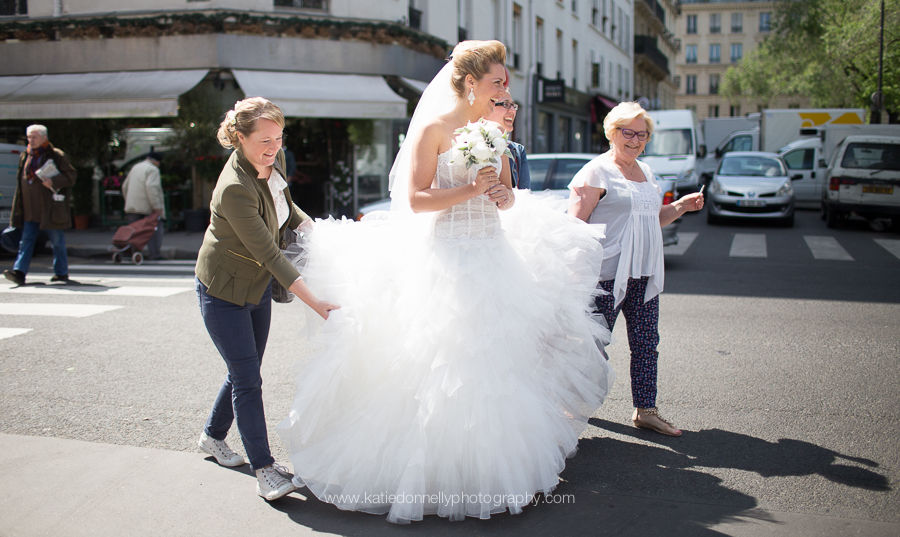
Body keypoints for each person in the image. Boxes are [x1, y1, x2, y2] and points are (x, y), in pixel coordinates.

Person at [276, 40, 614, 523]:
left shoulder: (493, 132)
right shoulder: (434, 129)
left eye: (506, 83)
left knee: (498, 363)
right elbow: (415, 199)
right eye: (498, 82)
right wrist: (469, 189)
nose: (504, 90)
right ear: (471, 83)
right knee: (446, 363)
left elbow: (509, 199)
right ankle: (434, 473)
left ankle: (492, 472)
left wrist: (499, 193)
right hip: (449, 259)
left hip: (495, 256)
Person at [194, 97, 338, 501]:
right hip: (223, 291)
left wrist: (316, 230)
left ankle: (211, 437)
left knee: (245, 369)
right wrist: (316, 303)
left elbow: (286, 209)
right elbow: (270, 254)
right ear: (239, 138)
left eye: (278, 138)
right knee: (248, 379)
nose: (273, 147)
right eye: (264, 140)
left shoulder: (276, 161)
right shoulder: (235, 190)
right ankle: (264, 469)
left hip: (255, 286)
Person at [567, 101, 704, 437]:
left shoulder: (647, 171)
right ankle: (569, 410)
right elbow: (573, 226)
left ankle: (646, 410)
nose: (635, 140)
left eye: (642, 135)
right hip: (605, 276)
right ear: (611, 132)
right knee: (592, 347)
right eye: (627, 132)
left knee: (645, 344)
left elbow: (651, 220)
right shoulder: (595, 172)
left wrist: (680, 207)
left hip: (642, 273)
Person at [3, 125, 77, 286]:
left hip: (50, 210)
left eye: (34, 137)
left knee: (57, 242)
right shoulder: (25, 155)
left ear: (44, 138)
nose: (31, 140)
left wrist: (53, 181)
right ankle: (19, 272)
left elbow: (71, 176)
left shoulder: (56, 155)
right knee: (26, 242)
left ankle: (61, 273)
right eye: (29, 137)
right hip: (30, 210)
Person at [122, 151, 165, 260]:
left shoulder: (136, 167)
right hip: (148, 207)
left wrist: (129, 200)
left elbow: (125, 186)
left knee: (133, 231)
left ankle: (132, 252)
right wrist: (156, 206)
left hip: (133, 206)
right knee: (154, 230)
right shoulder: (153, 170)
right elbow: (151, 187)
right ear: (156, 161)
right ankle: (154, 254)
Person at [484, 90, 530, 189]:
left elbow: (524, 194)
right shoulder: (468, 145)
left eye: (514, 105)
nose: (513, 110)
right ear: (487, 108)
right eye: (506, 104)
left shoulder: (518, 150)